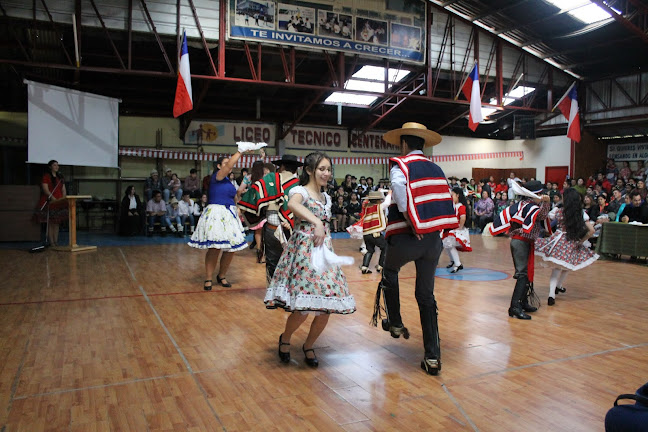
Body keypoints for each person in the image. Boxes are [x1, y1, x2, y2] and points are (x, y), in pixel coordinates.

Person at [371, 122, 458, 376]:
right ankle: (432, 357)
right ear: (423, 144)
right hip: (432, 242)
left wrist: (410, 218)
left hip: (407, 237)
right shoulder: (437, 168)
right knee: (426, 297)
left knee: (389, 270)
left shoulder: (402, 165)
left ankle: (395, 322)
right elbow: (444, 198)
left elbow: (398, 189)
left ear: (404, 144)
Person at [264, 152, 355, 367]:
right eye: (322, 169)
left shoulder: (327, 198)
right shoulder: (300, 192)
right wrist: (316, 222)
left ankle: (309, 344)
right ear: (309, 170)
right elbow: (292, 204)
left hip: (323, 253)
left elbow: (324, 228)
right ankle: (285, 339)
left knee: (326, 306)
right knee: (303, 309)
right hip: (303, 252)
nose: (326, 173)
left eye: (328, 169)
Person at [188, 148, 251, 290]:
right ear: (218, 166)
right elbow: (229, 166)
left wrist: (240, 199)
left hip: (228, 214)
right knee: (215, 247)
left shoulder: (228, 182)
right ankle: (208, 278)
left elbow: (236, 197)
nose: (230, 165)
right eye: (226, 163)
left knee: (231, 248)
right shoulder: (217, 177)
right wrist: (240, 151)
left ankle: (221, 275)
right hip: (216, 212)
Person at [490, 180, 551, 320]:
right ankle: (515, 307)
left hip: (522, 242)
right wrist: (546, 203)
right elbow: (541, 215)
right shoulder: (530, 207)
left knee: (526, 273)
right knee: (523, 274)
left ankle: (523, 302)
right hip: (521, 242)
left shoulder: (522, 205)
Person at [238, 154, 302, 283]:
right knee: (293, 263)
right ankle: (290, 292)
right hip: (294, 230)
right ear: (296, 170)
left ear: (281, 166)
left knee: (273, 263)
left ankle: (274, 292)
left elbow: (252, 192)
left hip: (272, 228)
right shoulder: (301, 185)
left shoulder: (270, 178)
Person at [535, 188, 598, 305]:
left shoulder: (558, 211)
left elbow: (546, 219)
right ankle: (558, 286)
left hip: (557, 240)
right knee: (568, 265)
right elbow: (591, 230)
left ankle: (552, 294)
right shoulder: (581, 213)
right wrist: (581, 241)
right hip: (571, 240)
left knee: (556, 268)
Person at [35, 159, 68, 246]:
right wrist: (53, 199)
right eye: (54, 165)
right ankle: (51, 242)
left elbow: (63, 189)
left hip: (59, 202)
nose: (57, 166)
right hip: (50, 202)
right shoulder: (46, 176)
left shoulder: (60, 177)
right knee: (51, 223)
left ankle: (56, 242)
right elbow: (46, 190)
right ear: (50, 167)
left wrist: (63, 199)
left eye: (57, 165)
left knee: (57, 223)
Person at [442, 187, 472, 273]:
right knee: (446, 244)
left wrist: (460, 227)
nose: (451, 197)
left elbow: (463, 217)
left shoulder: (461, 206)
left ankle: (458, 264)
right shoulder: (454, 206)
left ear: (458, 195)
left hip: (459, 230)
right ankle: (453, 261)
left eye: (453, 195)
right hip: (453, 229)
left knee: (449, 244)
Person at [359, 190, 389, 274]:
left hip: (366, 233)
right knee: (385, 247)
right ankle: (380, 266)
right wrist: (389, 194)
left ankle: (364, 267)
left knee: (370, 250)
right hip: (375, 233)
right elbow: (387, 203)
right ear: (377, 200)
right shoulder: (378, 207)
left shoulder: (366, 207)